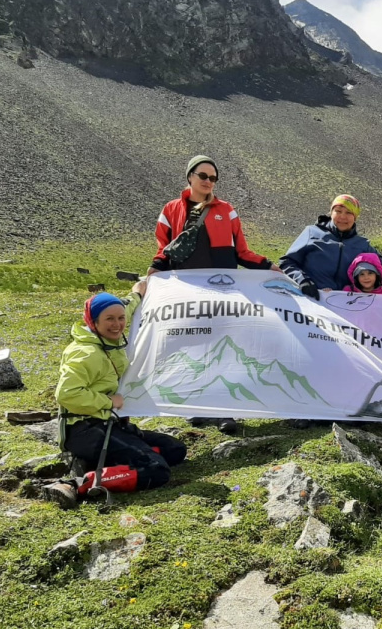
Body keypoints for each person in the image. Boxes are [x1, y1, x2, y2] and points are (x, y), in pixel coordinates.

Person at [147, 155, 280, 433]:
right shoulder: (171, 209)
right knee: (193, 345)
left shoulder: (227, 210)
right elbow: (164, 248)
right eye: (203, 176)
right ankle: (196, 405)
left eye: (213, 178)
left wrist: (268, 265)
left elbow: (241, 251)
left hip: (222, 292)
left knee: (222, 347)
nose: (209, 182)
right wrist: (155, 268)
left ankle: (224, 411)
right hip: (187, 292)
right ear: (190, 177)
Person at [42, 286, 187, 509]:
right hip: (85, 429)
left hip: (111, 424)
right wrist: (109, 402)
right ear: (93, 322)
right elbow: (66, 394)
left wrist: (137, 293)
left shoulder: (109, 335)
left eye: (120, 318)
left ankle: (99, 464)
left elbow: (125, 309)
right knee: (156, 470)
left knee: (175, 450)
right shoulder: (85, 353)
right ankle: (74, 484)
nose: (117, 324)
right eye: (109, 319)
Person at [279, 194, 382, 299]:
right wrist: (303, 281)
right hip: (313, 302)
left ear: (355, 217)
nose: (343, 216)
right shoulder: (312, 232)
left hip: (347, 307)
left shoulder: (362, 245)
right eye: (338, 211)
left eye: (349, 213)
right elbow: (288, 262)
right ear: (331, 213)